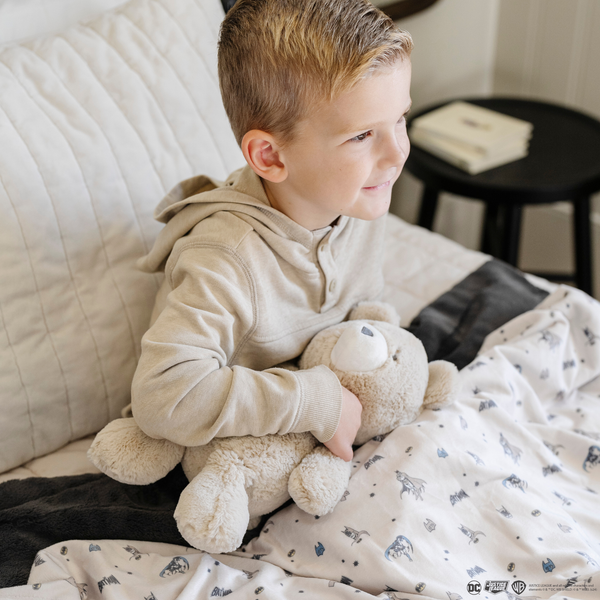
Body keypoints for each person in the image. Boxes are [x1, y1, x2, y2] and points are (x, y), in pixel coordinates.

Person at [131, 0, 413, 463]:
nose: (396, 153)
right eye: (362, 136)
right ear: (270, 158)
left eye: (400, 118)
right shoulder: (224, 258)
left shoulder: (357, 198)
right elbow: (163, 395)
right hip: (242, 461)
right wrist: (313, 401)